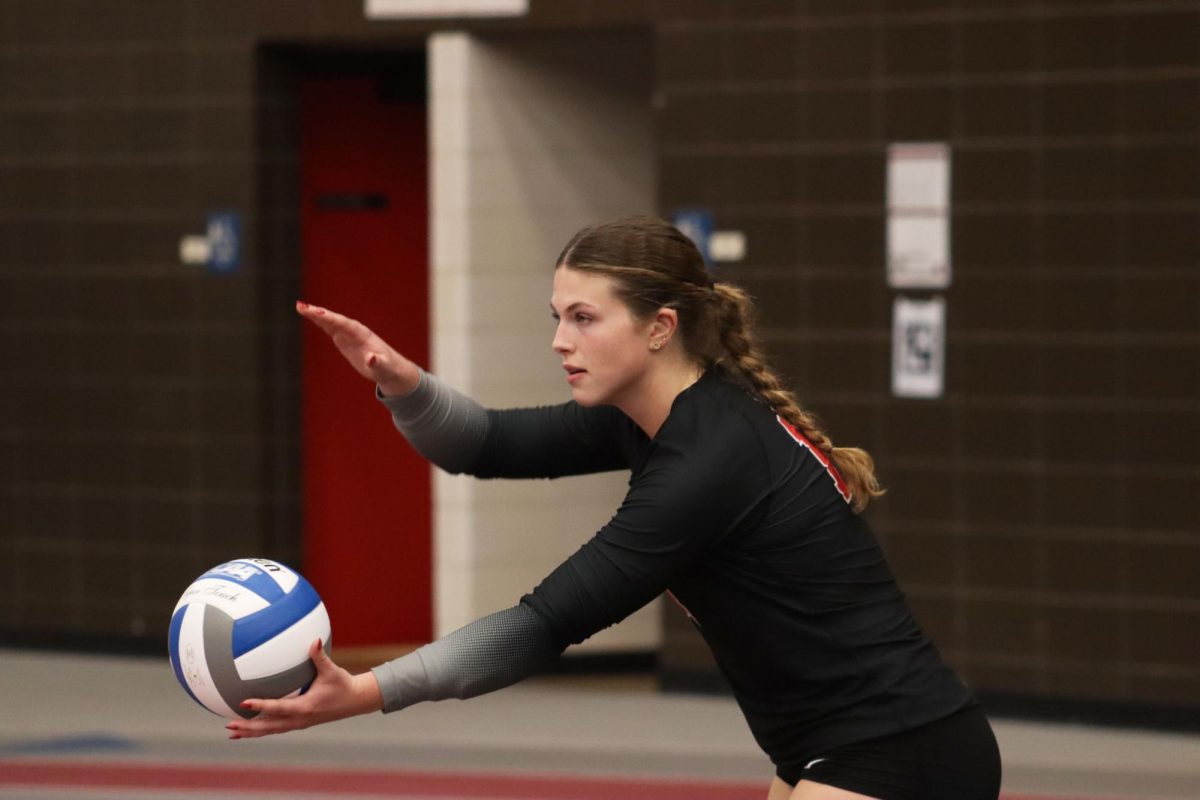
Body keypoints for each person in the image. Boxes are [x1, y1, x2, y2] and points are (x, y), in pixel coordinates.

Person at [226, 216, 1002, 800]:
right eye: (557, 316)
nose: (561, 340)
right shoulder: (651, 417)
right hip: (831, 750)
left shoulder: (708, 461)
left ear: (661, 327)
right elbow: (487, 446)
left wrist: (363, 692)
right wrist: (398, 382)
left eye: (585, 318)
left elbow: (543, 623)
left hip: (904, 751)